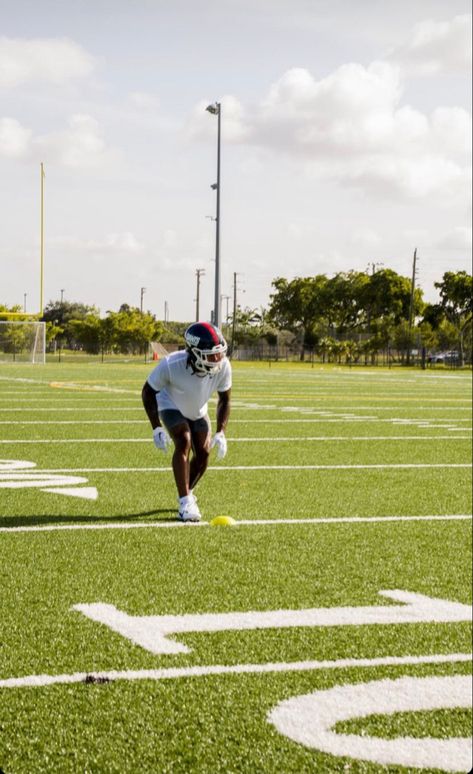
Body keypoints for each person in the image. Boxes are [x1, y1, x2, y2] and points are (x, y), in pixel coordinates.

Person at [142, 321, 231, 522]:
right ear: (194, 352)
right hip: (170, 403)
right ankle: (184, 503)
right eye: (211, 355)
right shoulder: (171, 365)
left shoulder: (223, 365)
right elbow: (148, 392)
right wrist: (156, 427)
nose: (217, 359)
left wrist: (221, 431)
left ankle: (187, 493)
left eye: (219, 353)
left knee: (204, 452)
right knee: (184, 440)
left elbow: (225, 399)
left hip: (198, 408)